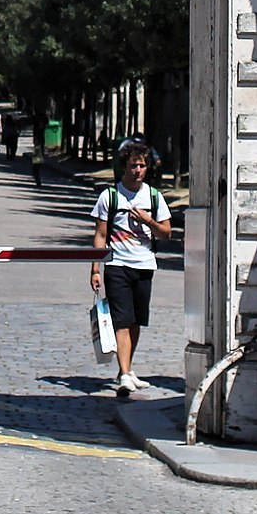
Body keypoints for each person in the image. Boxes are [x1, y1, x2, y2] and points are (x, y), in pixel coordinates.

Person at [91, 139, 171, 398]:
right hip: (117, 265)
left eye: (142, 166)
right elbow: (100, 235)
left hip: (145, 264)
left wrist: (148, 220)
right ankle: (124, 374)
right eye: (134, 166)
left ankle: (127, 367)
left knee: (136, 321)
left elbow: (167, 233)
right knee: (122, 321)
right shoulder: (110, 196)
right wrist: (95, 269)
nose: (138, 170)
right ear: (124, 167)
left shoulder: (154, 197)